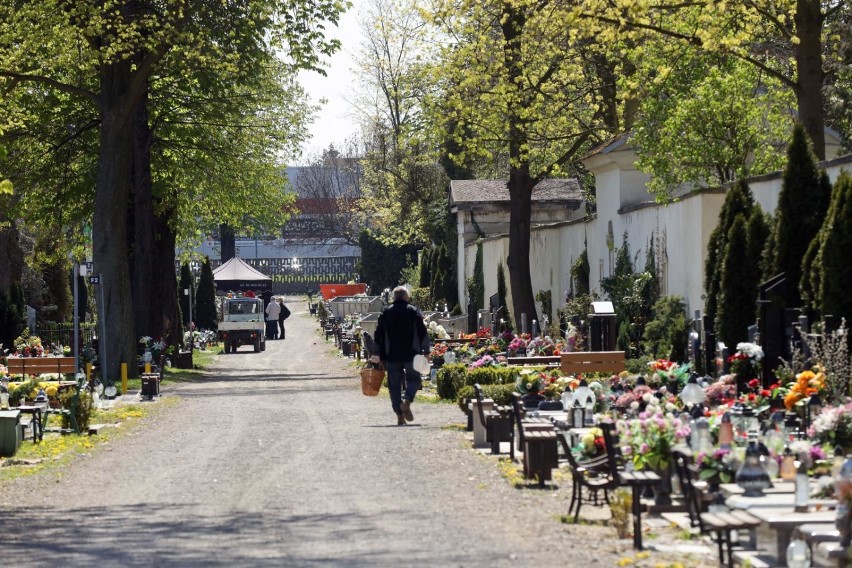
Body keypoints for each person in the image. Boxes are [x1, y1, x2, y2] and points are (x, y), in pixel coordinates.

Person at [371, 286, 430, 426]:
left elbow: (378, 334)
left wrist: (376, 353)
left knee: (394, 386)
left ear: (394, 297)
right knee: (415, 380)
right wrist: (426, 351)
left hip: (392, 355)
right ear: (406, 297)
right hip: (412, 353)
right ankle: (407, 399)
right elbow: (422, 332)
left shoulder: (386, 312)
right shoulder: (413, 311)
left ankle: (399, 414)